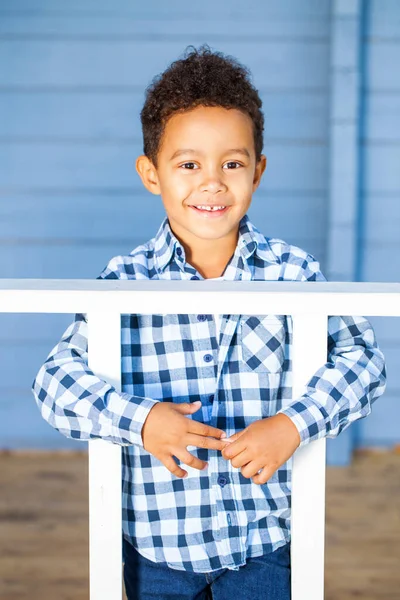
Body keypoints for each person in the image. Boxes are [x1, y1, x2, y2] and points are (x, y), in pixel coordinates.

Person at [31, 44, 387, 600]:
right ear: (152, 174)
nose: (213, 182)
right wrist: (141, 421)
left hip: (263, 544)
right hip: (157, 551)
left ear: (258, 171)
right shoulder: (124, 280)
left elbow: (365, 363)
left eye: (233, 163)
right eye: (189, 164)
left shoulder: (293, 273)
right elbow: (55, 383)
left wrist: (294, 424)